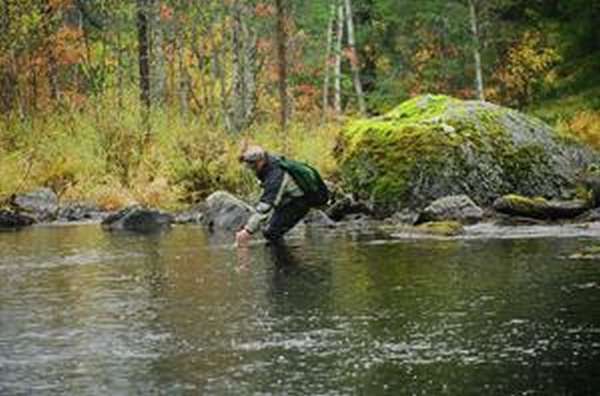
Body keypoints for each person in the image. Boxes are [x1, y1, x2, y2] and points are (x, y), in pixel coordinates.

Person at [235, 145, 325, 246]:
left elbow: (265, 207)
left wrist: (247, 231)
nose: (251, 169)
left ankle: (284, 260)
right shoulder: (268, 161)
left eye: (252, 166)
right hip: (288, 199)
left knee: (272, 233)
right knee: (268, 230)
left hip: (300, 201)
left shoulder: (275, 175)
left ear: (260, 161)